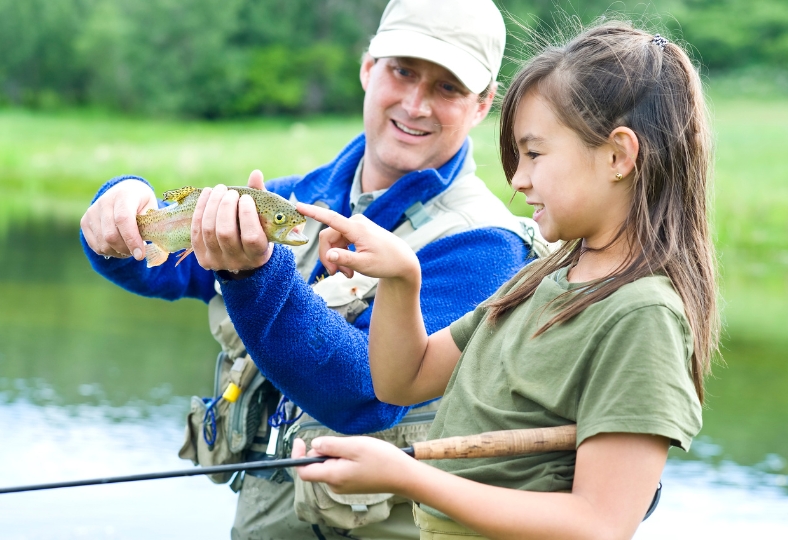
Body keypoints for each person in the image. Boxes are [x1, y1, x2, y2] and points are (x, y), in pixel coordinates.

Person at [79, 1, 541, 538]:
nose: (416, 104)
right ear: (368, 68)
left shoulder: (485, 245)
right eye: (403, 71)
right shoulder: (293, 198)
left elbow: (370, 391)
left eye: (448, 88)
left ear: (483, 104)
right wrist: (120, 208)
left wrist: (255, 275)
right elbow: (158, 270)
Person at [291, 22, 719, 540]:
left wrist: (410, 477)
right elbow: (403, 378)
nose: (517, 179)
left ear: (618, 156)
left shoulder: (643, 315)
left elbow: (600, 523)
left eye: (534, 154)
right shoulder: (546, 276)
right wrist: (402, 276)